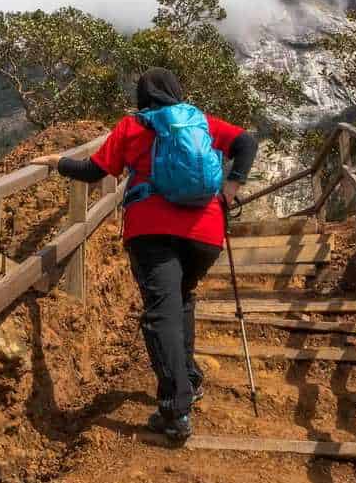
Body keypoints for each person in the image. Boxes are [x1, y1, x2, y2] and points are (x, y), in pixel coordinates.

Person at [30, 68, 258, 443]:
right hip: (206, 231)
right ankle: (189, 380)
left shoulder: (132, 126)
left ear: (142, 95)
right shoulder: (199, 120)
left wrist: (57, 162)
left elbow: (93, 170)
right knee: (181, 299)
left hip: (151, 231)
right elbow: (246, 142)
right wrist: (231, 188)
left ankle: (175, 410)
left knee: (160, 314)